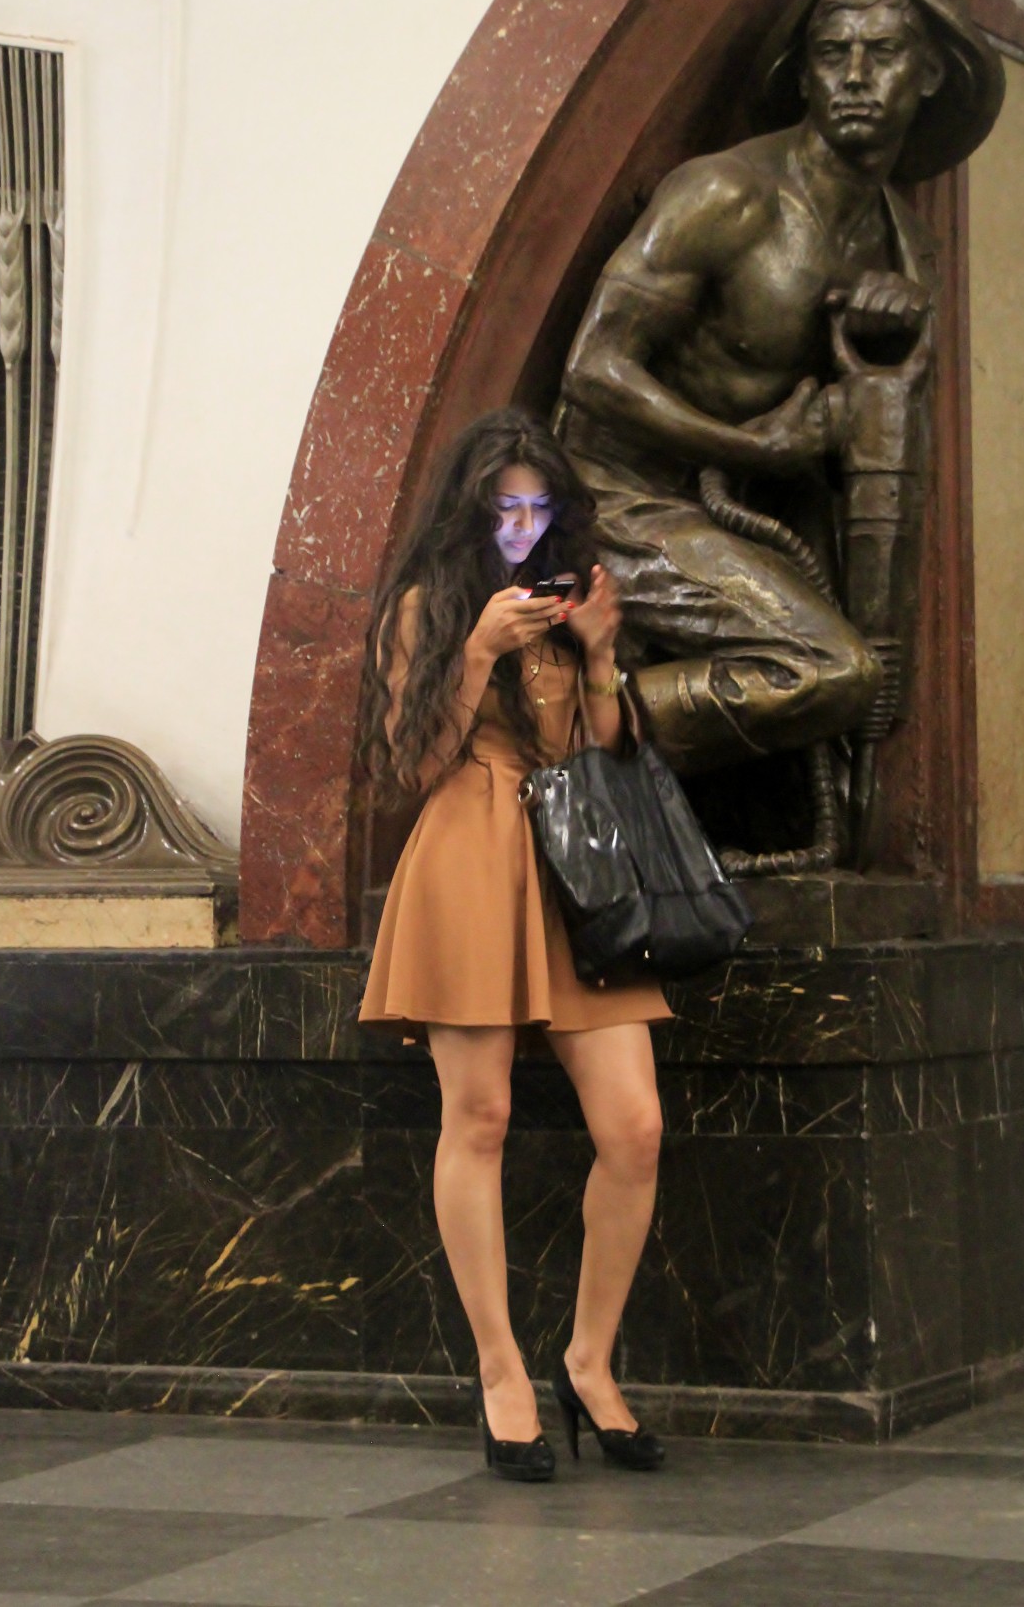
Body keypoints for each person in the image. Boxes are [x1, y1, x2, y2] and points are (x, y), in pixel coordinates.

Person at [556, 0, 1003, 773]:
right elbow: (591, 370)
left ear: (929, 73)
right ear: (803, 75)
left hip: (741, 509)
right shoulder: (726, 194)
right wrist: (749, 451)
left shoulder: (902, 241)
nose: (856, 78)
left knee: (869, 684)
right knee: (835, 671)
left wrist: (875, 368)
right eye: (833, 56)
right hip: (620, 500)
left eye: (884, 53)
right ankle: (554, 734)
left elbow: (864, 430)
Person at [358, 408, 670, 1480]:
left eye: (540, 507)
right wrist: (474, 650)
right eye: (506, 508)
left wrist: (596, 652)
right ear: (472, 512)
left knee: (634, 1126)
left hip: (570, 866)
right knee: (478, 1114)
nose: (524, 526)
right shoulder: (424, 606)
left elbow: (608, 752)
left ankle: (588, 1360)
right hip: (467, 852)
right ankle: (500, 1372)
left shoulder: (565, 597)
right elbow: (408, 767)